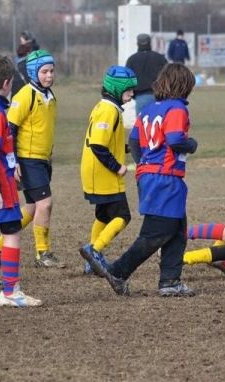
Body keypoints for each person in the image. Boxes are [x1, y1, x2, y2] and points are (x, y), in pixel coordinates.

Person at [80, 63, 197, 297]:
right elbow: (175, 140)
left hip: (151, 176)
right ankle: (118, 271)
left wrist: (144, 162)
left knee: (176, 229)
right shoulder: (176, 109)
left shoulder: (148, 109)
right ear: (184, 86)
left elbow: (134, 141)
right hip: (165, 177)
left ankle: (170, 281)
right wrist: (191, 144)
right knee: (156, 232)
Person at [0, 50, 59, 268]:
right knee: (45, 204)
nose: (49, 75)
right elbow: (9, 129)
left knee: (33, 208)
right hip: (28, 159)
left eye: (51, 71)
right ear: (33, 72)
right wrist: (16, 163)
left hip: (43, 159)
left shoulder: (49, 95)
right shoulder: (25, 95)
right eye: (44, 71)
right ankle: (43, 253)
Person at [79, 66, 137, 275]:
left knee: (103, 216)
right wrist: (117, 166)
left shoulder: (108, 107)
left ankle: (91, 261)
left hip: (97, 172)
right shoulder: (108, 110)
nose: (132, 94)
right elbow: (98, 145)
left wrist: (129, 149)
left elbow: (108, 141)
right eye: (129, 90)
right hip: (102, 174)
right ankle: (94, 250)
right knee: (123, 216)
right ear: (117, 89)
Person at [0, 55, 42, 307]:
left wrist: (11, 165)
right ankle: (11, 291)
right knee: (12, 233)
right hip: (1, 189)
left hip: (5, 180)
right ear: (6, 82)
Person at [126, 33, 167, 115]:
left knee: (142, 126)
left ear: (137, 43)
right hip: (158, 97)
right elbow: (169, 76)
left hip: (140, 97)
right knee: (157, 125)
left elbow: (128, 80)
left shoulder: (131, 60)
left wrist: (132, 95)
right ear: (150, 43)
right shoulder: (160, 58)